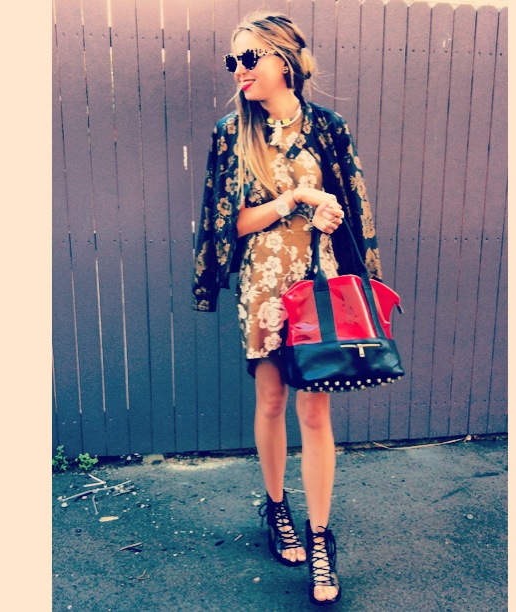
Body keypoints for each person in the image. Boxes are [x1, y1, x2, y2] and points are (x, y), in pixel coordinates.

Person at [192, 11, 383, 606]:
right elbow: (227, 226)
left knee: (316, 413)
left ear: (285, 60)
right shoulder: (232, 133)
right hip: (263, 287)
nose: (239, 70)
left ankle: (320, 537)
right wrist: (294, 198)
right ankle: (276, 508)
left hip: (317, 285)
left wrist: (329, 214)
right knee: (272, 401)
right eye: (233, 60)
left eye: (249, 57)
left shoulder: (328, 128)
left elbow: (353, 209)